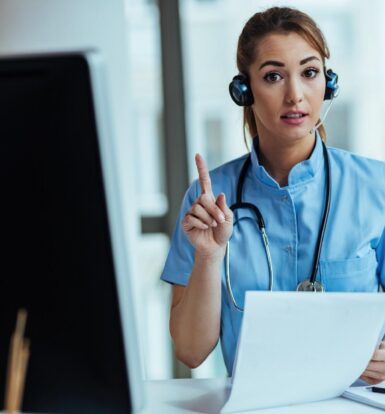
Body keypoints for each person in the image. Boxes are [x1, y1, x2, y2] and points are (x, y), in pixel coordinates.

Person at [160, 6, 385, 384]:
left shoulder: (376, 187)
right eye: (274, 76)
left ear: (328, 84)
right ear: (243, 90)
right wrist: (209, 256)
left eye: (310, 73)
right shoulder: (208, 201)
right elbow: (191, 351)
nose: (295, 94)